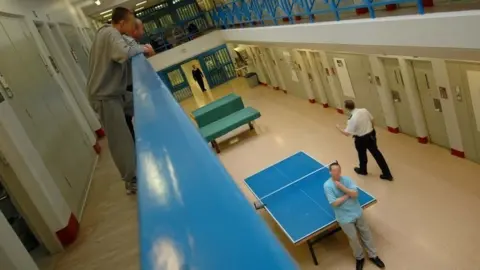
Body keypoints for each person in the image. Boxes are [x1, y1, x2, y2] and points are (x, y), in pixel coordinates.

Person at [87, 7, 154, 195]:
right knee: (121, 139)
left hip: (115, 93)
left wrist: (140, 48)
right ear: (122, 23)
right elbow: (123, 53)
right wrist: (145, 49)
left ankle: (149, 147)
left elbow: (128, 46)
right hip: (105, 96)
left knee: (144, 104)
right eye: (131, 23)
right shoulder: (110, 33)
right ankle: (131, 180)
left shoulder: (110, 34)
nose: (134, 27)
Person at [324, 162, 385, 270]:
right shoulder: (327, 186)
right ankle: (359, 258)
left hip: (357, 212)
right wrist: (348, 194)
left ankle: (373, 255)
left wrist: (343, 188)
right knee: (353, 238)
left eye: (338, 170)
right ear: (330, 172)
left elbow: (356, 194)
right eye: (334, 171)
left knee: (366, 233)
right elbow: (334, 203)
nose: (337, 173)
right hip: (344, 218)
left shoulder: (347, 180)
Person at [336, 100, 393, 181]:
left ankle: (363, 170)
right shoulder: (364, 110)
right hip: (371, 135)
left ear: (346, 108)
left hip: (361, 139)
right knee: (377, 154)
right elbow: (372, 120)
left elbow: (347, 134)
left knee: (362, 155)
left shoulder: (351, 119)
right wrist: (372, 130)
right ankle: (387, 174)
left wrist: (338, 128)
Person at [124, 18, 147, 140]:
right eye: (141, 28)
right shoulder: (127, 42)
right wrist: (145, 49)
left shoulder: (130, 43)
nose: (143, 32)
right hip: (126, 86)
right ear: (134, 30)